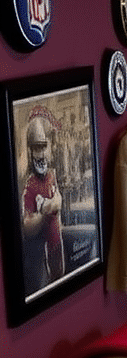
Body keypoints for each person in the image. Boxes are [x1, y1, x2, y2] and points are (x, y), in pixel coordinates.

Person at [21, 115, 65, 294]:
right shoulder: (29, 186)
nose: (40, 154)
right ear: (30, 150)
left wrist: (57, 203)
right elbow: (26, 226)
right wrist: (44, 213)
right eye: (36, 148)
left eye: (43, 146)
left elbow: (59, 198)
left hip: (57, 248)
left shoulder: (52, 175)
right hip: (40, 259)